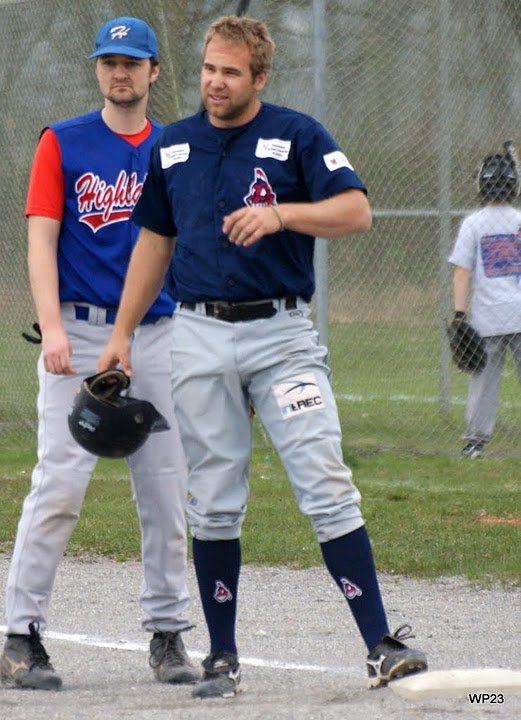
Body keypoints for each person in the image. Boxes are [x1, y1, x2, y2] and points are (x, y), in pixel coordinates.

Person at [98, 15, 427, 699]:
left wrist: (282, 214)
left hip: (282, 337)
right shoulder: (173, 145)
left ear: (260, 77)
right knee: (214, 499)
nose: (215, 82)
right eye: (208, 69)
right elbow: (154, 243)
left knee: (324, 480)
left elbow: (356, 211)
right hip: (198, 333)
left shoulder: (296, 135)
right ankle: (221, 657)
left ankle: (380, 645)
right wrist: (122, 333)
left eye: (231, 72)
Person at [0, 17, 199, 690]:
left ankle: (168, 633)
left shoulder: (175, 148)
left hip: (158, 334)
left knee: (166, 488)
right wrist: (53, 328)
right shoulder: (62, 141)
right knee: (59, 485)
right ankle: (20, 635)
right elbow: (40, 239)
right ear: (97, 69)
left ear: (153, 72)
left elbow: (189, 243)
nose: (120, 72)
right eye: (110, 61)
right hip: (80, 333)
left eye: (132, 62)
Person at [449, 144, 521, 458]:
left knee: (483, 381)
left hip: (487, 318)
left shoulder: (473, 223)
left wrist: (458, 313)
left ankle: (475, 442)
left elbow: (462, 273)